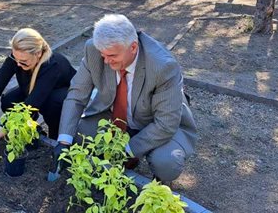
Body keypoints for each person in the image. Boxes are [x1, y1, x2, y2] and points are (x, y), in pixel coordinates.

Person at [54, 14, 197, 183]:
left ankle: (158, 185)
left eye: (112, 56)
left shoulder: (163, 66)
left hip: (154, 121)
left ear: (133, 47)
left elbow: (166, 123)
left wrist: (125, 151)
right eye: (103, 55)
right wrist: (64, 141)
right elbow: (77, 95)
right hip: (114, 115)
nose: (106, 61)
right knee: (78, 137)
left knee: (166, 162)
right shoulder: (94, 50)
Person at [0, 28, 76, 166]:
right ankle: (31, 133)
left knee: (53, 104)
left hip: (60, 95)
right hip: (35, 91)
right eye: (15, 59)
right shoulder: (18, 57)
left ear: (38, 53)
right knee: (9, 101)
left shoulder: (53, 65)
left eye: (23, 62)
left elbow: (27, 110)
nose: (18, 64)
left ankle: (54, 141)